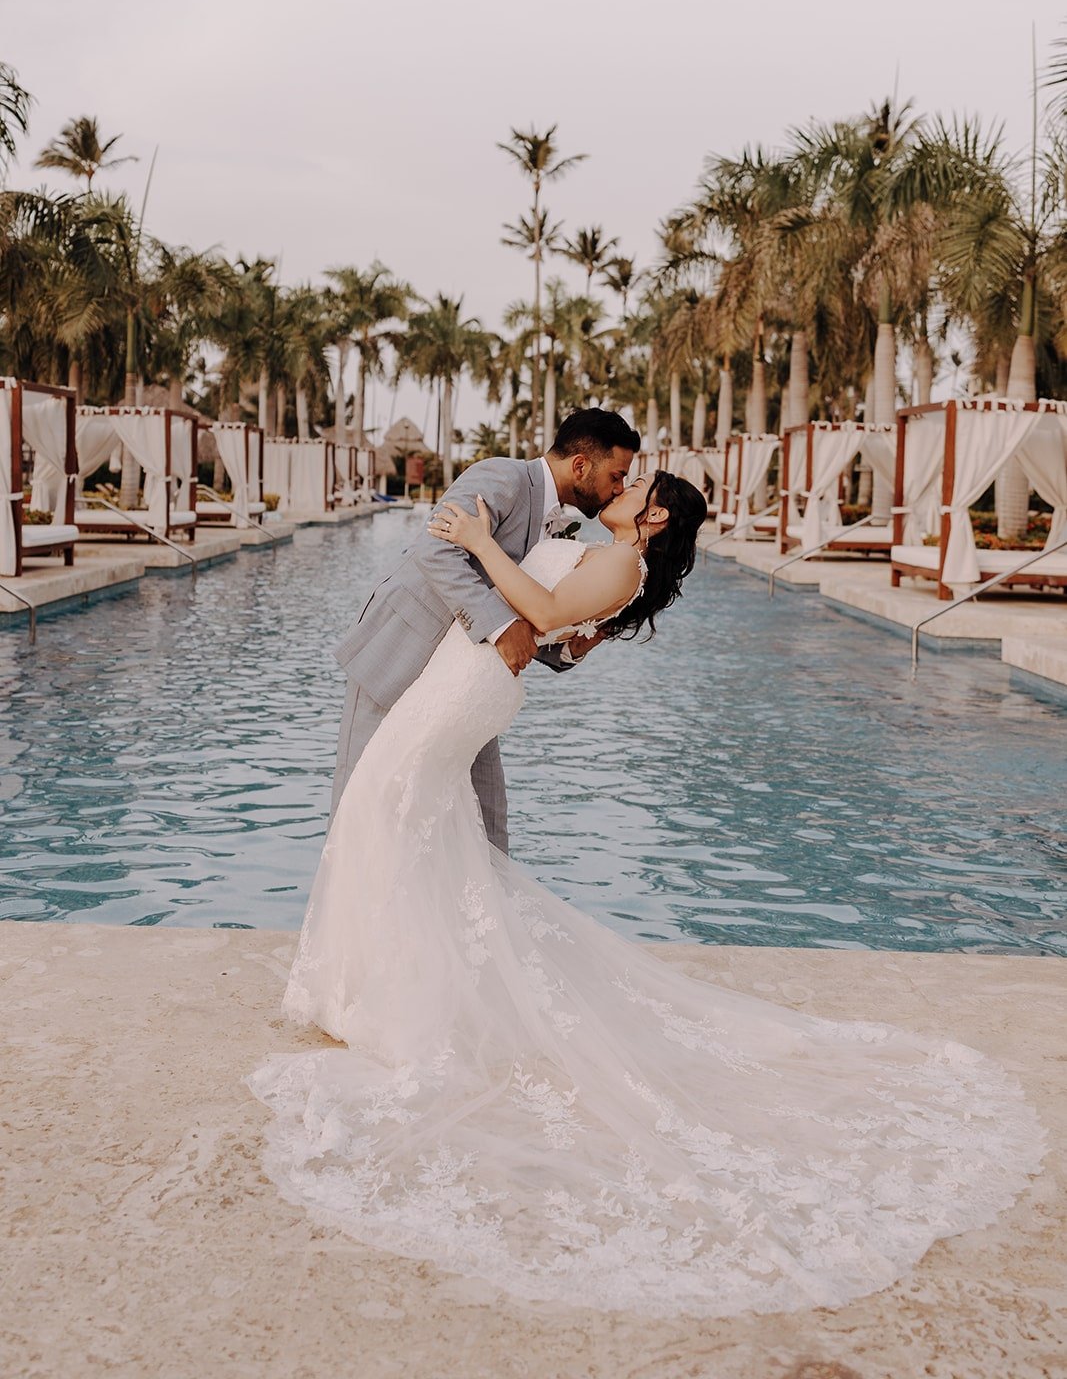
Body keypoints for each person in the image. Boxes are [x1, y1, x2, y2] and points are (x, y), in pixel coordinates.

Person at [248, 470, 1042, 1318]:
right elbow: (554, 625)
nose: (623, 489)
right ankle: (364, 982)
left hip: (469, 685)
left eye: (638, 484)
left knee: (393, 807)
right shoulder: (603, 552)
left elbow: (547, 618)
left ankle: (389, 1000)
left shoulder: (620, 566)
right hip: (461, 673)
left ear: (653, 516)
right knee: (398, 815)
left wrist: (480, 544)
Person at [329, 407, 641, 852]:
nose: (619, 489)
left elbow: (528, 602)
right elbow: (434, 549)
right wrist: (500, 628)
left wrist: (569, 649)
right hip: (402, 658)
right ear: (580, 465)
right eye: (617, 475)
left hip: (468, 680)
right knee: (363, 804)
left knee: (487, 823)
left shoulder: (562, 522)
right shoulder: (503, 477)